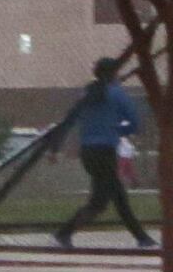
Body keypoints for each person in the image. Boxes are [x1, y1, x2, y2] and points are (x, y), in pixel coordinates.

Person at [57, 58, 145, 247]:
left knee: (105, 199)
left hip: (88, 152)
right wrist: (118, 129)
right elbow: (135, 124)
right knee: (113, 198)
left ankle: (142, 237)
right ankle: (63, 233)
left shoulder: (87, 93)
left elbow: (72, 119)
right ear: (114, 74)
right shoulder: (117, 94)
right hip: (105, 152)